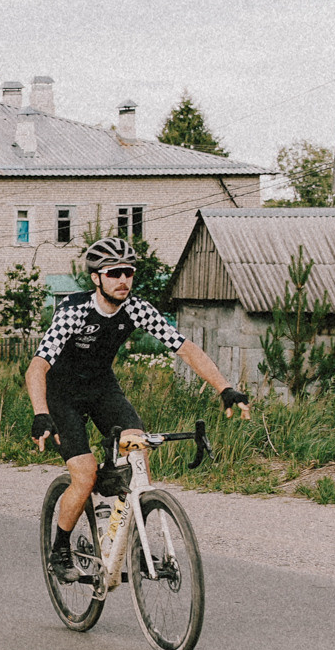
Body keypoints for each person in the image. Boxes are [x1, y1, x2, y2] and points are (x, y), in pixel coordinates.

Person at [27, 236, 249, 582]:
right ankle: (60, 549)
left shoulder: (136, 308)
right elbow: (37, 367)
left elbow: (186, 348)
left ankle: (136, 543)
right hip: (62, 395)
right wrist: (41, 412)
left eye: (128, 272)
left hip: (102, 389)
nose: (123, 280)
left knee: (138, 452)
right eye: (114, 273)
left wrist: (225, 388)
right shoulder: (74, 310)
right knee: (84, 476)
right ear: (96, 278)